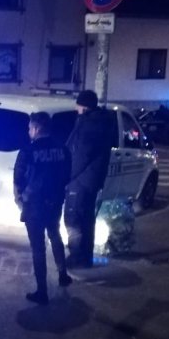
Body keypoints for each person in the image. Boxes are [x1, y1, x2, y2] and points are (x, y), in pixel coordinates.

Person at [14, 112, 72, 305]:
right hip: (54, 202)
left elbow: (18, 179)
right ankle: (63, 275)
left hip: (34, 205)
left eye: (30, 128)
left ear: (37, 128)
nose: (28, 131)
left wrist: (19, 199)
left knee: (38, 248)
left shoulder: (27, 151)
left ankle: (42, 291)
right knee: (55, 235)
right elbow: (67, 176)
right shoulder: (63, 149)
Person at [64, 90, 114, 270]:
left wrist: (66, 176)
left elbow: (80, 156)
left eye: (78, 105)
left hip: (81, 181)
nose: (76, 109)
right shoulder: (100, 121)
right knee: (86, 219)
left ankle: (77, 257)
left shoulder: (89, 125)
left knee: (74, 218)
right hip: (91, 180)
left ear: (84, 107)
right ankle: (85, 257)